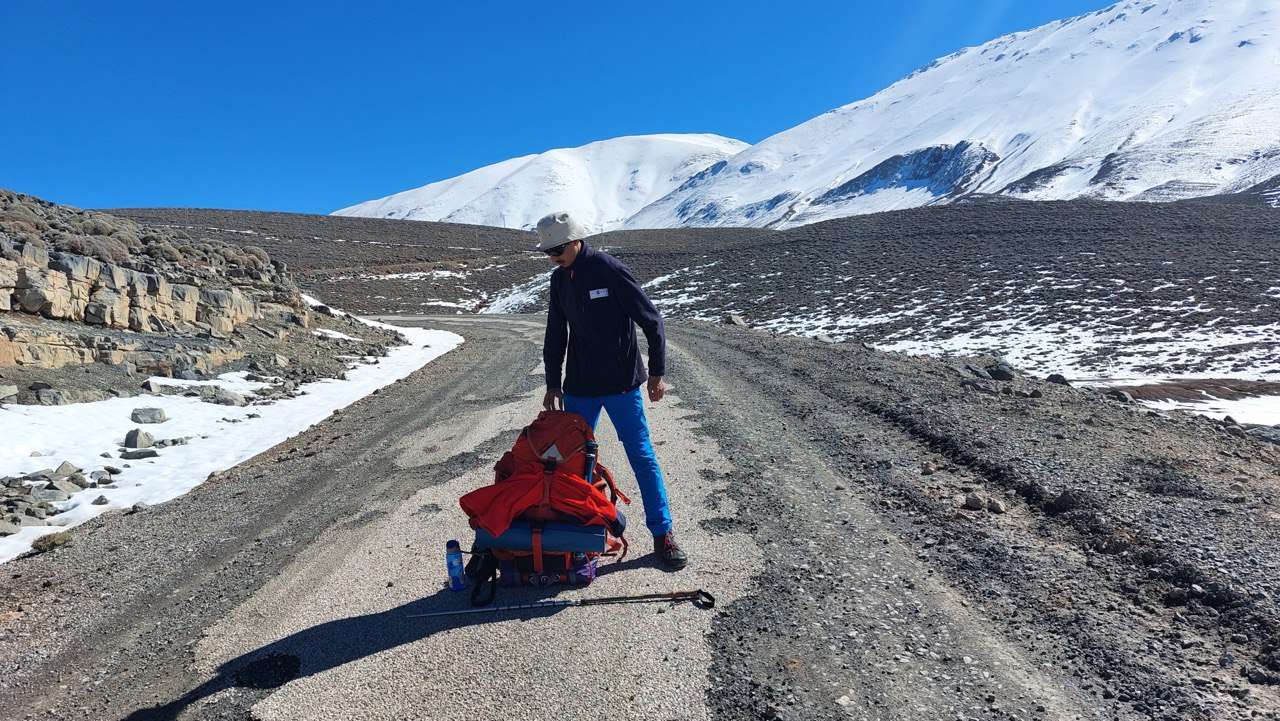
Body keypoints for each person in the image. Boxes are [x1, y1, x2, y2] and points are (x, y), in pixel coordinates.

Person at [536, 211, 686, 570]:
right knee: (569, 464)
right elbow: (555, 333)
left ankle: (662, 533)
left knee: (641, 457)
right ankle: (576, 535)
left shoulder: (609, 269)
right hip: (579, 387)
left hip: (621, 385)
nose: (552, 257)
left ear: (575, 240)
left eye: (556, 249)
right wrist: (553, 382)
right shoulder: (560, 280)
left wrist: (657, 373)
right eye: (547, 252)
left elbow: (651, 320)